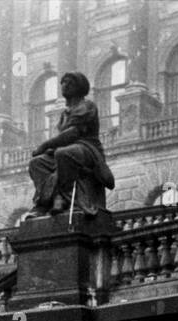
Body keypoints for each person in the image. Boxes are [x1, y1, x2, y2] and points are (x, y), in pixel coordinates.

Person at [27, 71, 115, 217]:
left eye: (70, 82)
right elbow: (63, 139)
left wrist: (44, 146)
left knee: (64, 154)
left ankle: (65, 199)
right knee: (37, 163)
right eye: (63, 82)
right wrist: (50, 150)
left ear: (80, 87)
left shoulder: (87, 106)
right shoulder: (64, 114)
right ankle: (44, 203)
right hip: (71, 150)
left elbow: (73, 133)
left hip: (88, 150)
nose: (65, 85)